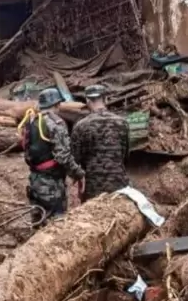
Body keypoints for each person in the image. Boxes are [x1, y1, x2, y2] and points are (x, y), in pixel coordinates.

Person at [19, 88, 85, 227]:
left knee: (38, 221)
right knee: (56, 224)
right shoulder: (56, 123)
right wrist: (78, 173)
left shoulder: (31, 121)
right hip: (52, 184)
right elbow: (63, 157)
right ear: (57, 105)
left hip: (35, 180)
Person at [70, 84, 130, 202]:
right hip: (119, 183)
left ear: (87, 100)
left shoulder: (81, 126)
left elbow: (75, 159)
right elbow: (125, 155)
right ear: (106, 99)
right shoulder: (122, 123)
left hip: (93, 185)